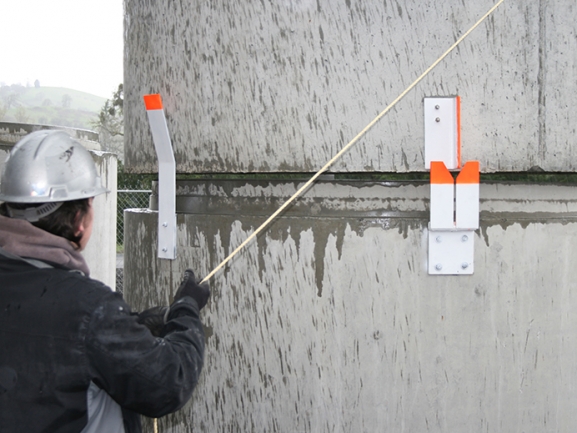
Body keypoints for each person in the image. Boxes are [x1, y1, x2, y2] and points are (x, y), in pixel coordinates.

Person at [0, 130, 210, 432]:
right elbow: (168, 383)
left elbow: (44, 335)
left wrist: (132, 324)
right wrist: (186, 312)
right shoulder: (88, 308)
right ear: (79, 220)